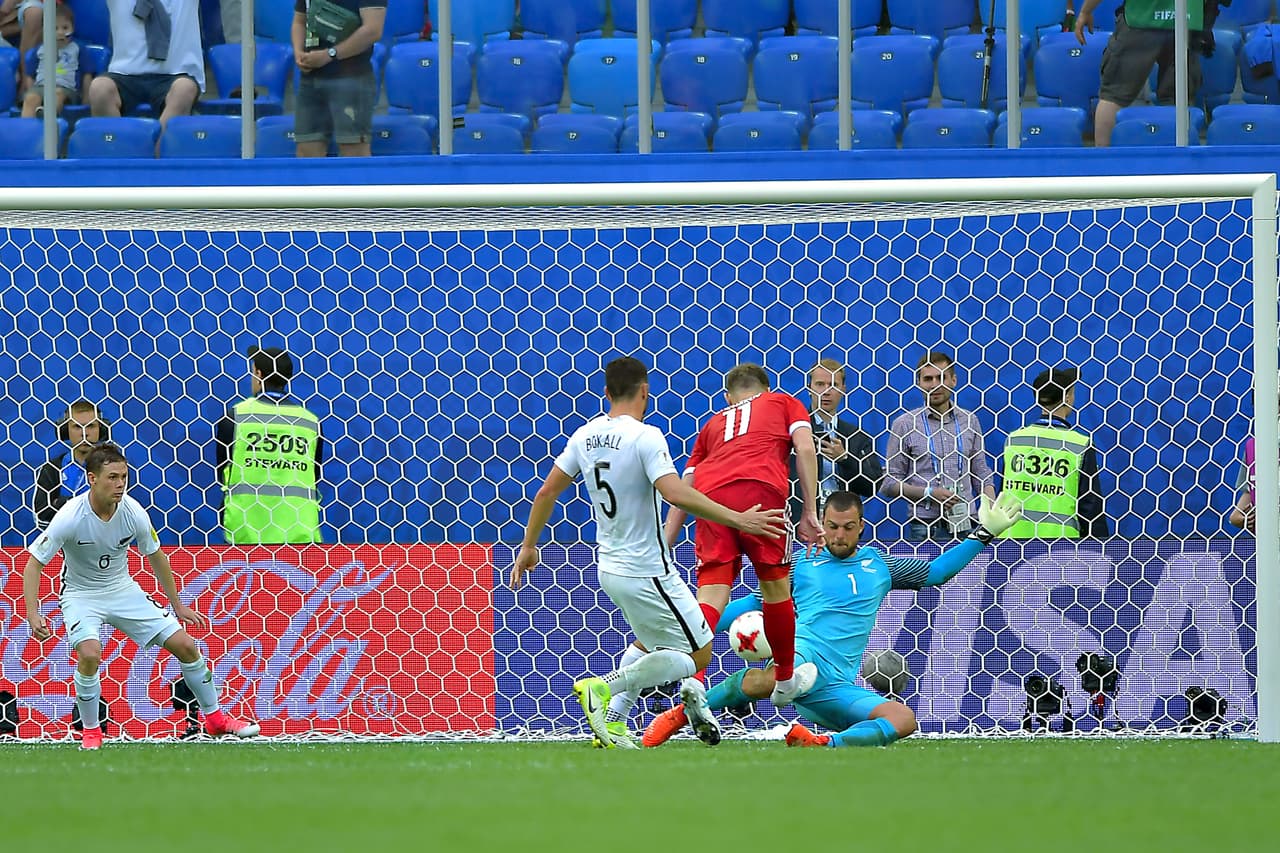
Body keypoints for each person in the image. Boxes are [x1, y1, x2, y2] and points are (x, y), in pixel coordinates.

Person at [511, 356, 788, 748]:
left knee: (651, 646)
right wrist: (738, 519)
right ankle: (603, 687)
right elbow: (674, 493)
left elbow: (546, 491)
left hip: (608, 568)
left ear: (606, 393)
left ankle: (614, 724)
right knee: (699, 655)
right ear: (645, 391)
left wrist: (528, 546)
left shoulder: (583, 436)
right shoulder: (646, 436)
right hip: (647, 571)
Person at [643, 489, 1024, 749]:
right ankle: (682, 714)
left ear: (861, 526)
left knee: (903, 719)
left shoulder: (880, 565)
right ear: (821, 523)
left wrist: (983, 533)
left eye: (847, 528)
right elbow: (750, 605)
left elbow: (938, 573)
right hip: (801, 654)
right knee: (783, 672)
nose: (838, 535)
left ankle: (822, 742)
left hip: (835, 685)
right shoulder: (802, 562)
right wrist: (693, 628)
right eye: (832, 526)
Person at [22, 443, 260, 749]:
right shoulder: (70, 516)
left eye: (124, 476)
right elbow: (34, 564)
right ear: (92, 479)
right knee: (90, 655)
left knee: (186, 646)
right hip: (82, 595)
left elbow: (157, 556)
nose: (120, 484)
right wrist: (33, 612)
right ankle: (92, 732)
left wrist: (178, 605)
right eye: (112, 477)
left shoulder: (133, 511)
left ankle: (215, 719)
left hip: (123, 590)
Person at [665, 363, 825, 708]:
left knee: (710, 595)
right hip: (760, 491)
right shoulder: (784, 402)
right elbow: (806, 449)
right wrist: (810, 512)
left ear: (727, 397)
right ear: (766, 389)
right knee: (775, 587)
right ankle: (784, 680)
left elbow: (684, 486)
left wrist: (667, 540)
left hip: (709, 502)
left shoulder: (711, 426)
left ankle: (694, 676)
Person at [882, 350, 997, 542]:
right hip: (925, 527)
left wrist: (991, 516)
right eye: (928, 379)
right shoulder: (904, 424)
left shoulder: (970, 420)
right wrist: (928, 494)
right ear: (919, 383)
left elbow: (981, 473)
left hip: (967, 525)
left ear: (954, 380)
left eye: (941, 377)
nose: (935, 385)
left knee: (968, 574)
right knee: (927, 574)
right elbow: (889, 483)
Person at [215, 345, 323, 545]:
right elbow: (314, 475)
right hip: (300, 533)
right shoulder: (310, 422)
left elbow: (222, 472)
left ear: (258, 373)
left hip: (245, 533)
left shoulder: (235, 417)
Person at [1075, 0, 1204, 147]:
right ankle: (1178, 162)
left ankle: (1104, 162)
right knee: (1177, 99)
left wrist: (1085, 11)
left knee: (1113, 95)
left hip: (1140, 18)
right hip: (1186, 19)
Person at [1001, 367, 1110, 539]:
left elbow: (1003, 494)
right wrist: (1100, 550)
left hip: (1011, 542)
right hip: (1061, 546)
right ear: (1067, 398)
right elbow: (1090, 507)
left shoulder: (1014, 440)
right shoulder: (1080, 444)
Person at [790, 357, 882, 522]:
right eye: (820, 384)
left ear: (843, 389)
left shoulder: (856, 436)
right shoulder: (793, 431)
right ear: (809, 388)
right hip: (802, 520)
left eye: (833, 385)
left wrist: (845, 459)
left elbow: (872, 486)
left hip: (841, 524)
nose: (827, 391)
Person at [89, 0, 204, 131]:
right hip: (124, 75)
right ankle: (119, 149)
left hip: (176, 75)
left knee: (184, 89)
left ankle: (155, 149)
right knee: (99, 88)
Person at [292, 0, 386, 157]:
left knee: (353, 148)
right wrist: (298, 52)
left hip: (351, 78)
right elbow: (300, 21)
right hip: (310, 79)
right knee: (306, 149)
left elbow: (373, 30)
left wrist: (330, 55)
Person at [33, 399, 109, 531]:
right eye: (77, 427)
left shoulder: (113, 467)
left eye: (91, 426)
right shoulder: (51, 469)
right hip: (64, 546)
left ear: (101, 429)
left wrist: (62, 503)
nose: (84, 433)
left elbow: (115, 513)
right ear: (65, 430)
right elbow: (42, 518)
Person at [20, 2, 76, 117]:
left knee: (57, 94)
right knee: (30, 98)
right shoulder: (39, 50)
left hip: (65, 88)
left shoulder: (78, 49)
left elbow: (86, 74)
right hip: (40, 86)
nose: (60, 32)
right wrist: (31, 90)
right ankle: (26, 129)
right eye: (55, 28)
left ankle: (47, 116)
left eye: (65, 28)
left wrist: (86, 98)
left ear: (73, 28)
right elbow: (30, 75)